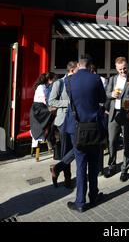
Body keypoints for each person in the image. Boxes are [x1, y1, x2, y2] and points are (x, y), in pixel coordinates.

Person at [64, 56, 106, 213]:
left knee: (80, 166)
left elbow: (72, 101)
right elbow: (102, 99)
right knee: (94, 163)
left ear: (77, 66)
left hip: (77, 128)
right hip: (94, 127)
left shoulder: (68, 81)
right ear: (89, 66)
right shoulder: (96, 79)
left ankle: (80, 202)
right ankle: (94, 195)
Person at [48, 61, 78, 189]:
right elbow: (51, 101)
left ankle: (57, 168)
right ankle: (67, 179)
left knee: (77, 147)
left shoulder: (77, 82)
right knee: (66, 150)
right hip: (63, 121)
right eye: (78, 69)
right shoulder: (58, 83)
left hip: (76, 120)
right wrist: (68, 102)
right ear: (71, 70)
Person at [105, 57, 129, 181]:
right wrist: (111, 94)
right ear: (116, 69)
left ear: (127, 67)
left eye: (124, 68)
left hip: (126, 114)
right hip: (113, 114)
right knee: (112, 142)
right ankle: (112, 166)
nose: (123, 71)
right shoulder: (112, 79)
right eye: (120, 69)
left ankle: (125, 169)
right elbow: (105, 94)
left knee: (127, 142)